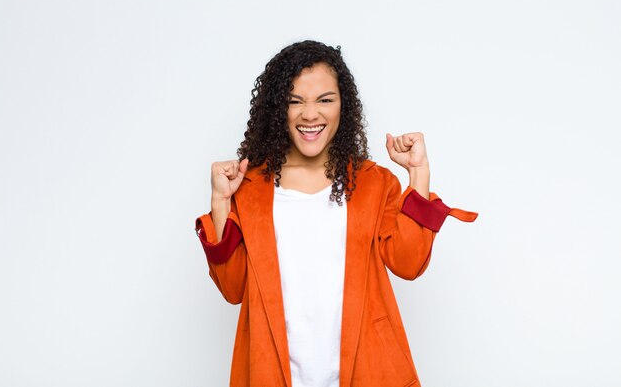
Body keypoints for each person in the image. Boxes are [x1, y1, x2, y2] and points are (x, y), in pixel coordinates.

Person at [195, 40, 478, 387]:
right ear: (276, 109)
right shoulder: (249, 187)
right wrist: (221, 204)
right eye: (294, 101)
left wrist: (417, 173)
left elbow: (409, 262)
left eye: (325, 100)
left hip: (367, 370)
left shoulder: (373, 184)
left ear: (343, 106)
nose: (310, 114)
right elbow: (233, 288)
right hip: (271, 371)